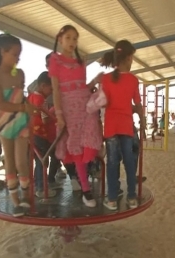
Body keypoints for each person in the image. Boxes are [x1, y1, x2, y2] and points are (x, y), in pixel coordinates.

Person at [49, 24, 103, 208]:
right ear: (60, 39)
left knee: (91, 139)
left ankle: (88, 180)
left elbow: (82, 88)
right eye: (68, 37)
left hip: (85, 107)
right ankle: (86, 190)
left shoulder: (81, 62)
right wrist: (59, 114)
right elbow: (56, 89)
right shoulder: (55, 60)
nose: (72, 41)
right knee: (76, 149)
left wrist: (95, 81)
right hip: (68, 110)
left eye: (75, 38)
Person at [0, 33, 37, 217]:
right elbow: (0, 104)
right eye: (14, 54)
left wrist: (27, 109)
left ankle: (25, 195)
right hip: (3, 121)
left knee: (21, 161)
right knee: (9, 160)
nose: (17, 58)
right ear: (3, 52)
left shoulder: (20, 73)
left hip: (20, 121)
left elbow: (20, 95)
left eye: (19, 55)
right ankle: (15, 200)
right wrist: (23, 107)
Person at [100, 39, 145, 210]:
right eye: (132, 58)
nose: (132, 61)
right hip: (126, 126)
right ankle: (131, 197)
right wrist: (142, 120)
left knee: (112, 162)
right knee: (129, 161)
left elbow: (104, 103)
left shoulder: (105, 79)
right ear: (127, 58)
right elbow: (138, 104)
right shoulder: (133, 80)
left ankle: (111, 199)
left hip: (111, 126)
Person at [27, 71, 59, 198]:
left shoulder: (30, 97)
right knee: (42, 162)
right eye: (50, 88)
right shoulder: (41, 99)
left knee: (38, 161)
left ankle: (36, 185)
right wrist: (56, 118)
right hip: (40, 134)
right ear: (42, 86)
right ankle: (41, 188)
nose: (51, 92)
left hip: (31, 134)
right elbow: (45, 118)